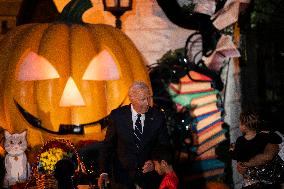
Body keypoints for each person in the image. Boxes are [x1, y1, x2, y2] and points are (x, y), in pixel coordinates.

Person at [98, 81, 170, 189]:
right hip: (121, 178)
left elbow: (163, 145)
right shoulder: (117, 116)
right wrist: (103, 172)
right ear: (132, 99)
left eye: (149, 98)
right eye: (143, 99)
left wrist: (154, 162)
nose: (148, 103)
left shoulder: (158, 116)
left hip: (148, 179)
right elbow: (108, 146)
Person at [230, 110, 283, 188]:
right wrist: (269, 133)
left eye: (240, 122)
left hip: (252, 178)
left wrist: (231, 151)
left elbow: (237, 156)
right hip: (269, 176)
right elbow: (279, 140)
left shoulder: (240, 140)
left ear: (244, 126)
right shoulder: (263, 137)